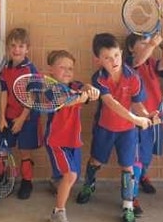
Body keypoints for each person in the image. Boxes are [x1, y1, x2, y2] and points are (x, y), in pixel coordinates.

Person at [75, 33, 153, 222]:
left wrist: (146, 115)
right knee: (96, 161)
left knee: (128, 167)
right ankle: (89, 185)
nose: (113, 61)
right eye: (107, 58)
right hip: (105, 128)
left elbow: (137, 104)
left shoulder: (133, 77)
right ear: (98, 60)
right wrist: (136, 119)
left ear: (121, 53)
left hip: (127, 131)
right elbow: (111, 104)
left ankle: (128, 206)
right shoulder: (99, 78)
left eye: (116, 55)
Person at [44, 50, 99, 222]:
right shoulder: (50, 89)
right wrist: (79, 99)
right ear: (51, 70)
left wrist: (91, 89)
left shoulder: (74, 85)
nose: (68, 71)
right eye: (63, 67)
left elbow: (84, 88)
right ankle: (58, 212)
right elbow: (63, 102)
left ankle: (57, 181)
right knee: (71, 176)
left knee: (71, 176)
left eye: (71, 68)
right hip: (57, 141)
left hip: (73, 141)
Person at [124, 33, 163, 215]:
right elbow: (138, 60)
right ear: (130, 48)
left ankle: (143, 176)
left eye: (148, 43)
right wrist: (152, 44)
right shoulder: (129, 62)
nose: (147, 46)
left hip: (155, 115)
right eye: (142, 43)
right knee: (135, 157)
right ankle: (132, 196)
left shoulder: (151, 62)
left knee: (147, 153)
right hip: (137, 116)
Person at [0, 28, 40, 199]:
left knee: (24, 152)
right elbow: (3, 93)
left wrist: (22, 119)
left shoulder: (31, 69)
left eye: (21, 46)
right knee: (2, 150)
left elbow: (33, 96)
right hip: (8, 116)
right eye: (13, 46)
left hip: (27, 118)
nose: (17, 49)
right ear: (8, 47)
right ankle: (3, 178)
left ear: (27, 48)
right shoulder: (5, 69)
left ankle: (27, 182)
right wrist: (2, 117)